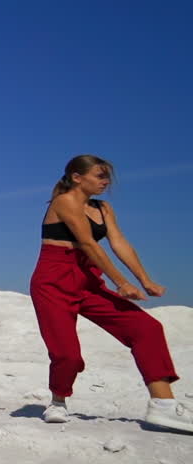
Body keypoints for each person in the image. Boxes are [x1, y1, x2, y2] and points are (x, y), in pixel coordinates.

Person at [30, 155, 190, 432]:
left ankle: (163, 406)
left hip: (88, 280)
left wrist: (144, 279)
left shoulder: (104, 208)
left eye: (107, 177)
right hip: (53, 280)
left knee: (147, 328)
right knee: (67, 355)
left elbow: (118, 242)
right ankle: (58, 401)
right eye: (100, 176)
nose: (106, 182)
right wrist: (121, 283)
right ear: (77, 177)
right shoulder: (64, 201)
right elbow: (88, 244)